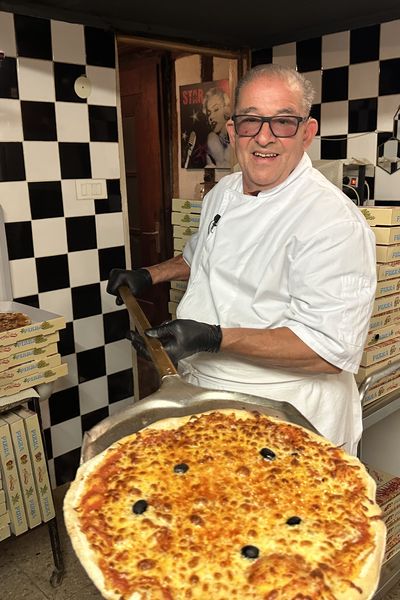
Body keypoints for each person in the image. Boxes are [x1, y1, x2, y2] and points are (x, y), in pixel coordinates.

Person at [107, 64, 377, 455]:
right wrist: (147, 276)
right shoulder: (225, 191)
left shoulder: (331, 221)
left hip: (289, 419)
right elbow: (204, 253)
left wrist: (213, 337)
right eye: (251, 121)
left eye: (283, 121)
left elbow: (326, 351)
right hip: (208, 395)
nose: (264, 137)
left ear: (307, 132)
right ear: (233, 130)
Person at [202, 86, 232, 168]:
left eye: (216, 109)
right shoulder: (212, 139)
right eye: (209, 113)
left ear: (226, 109)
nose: (211, 117)